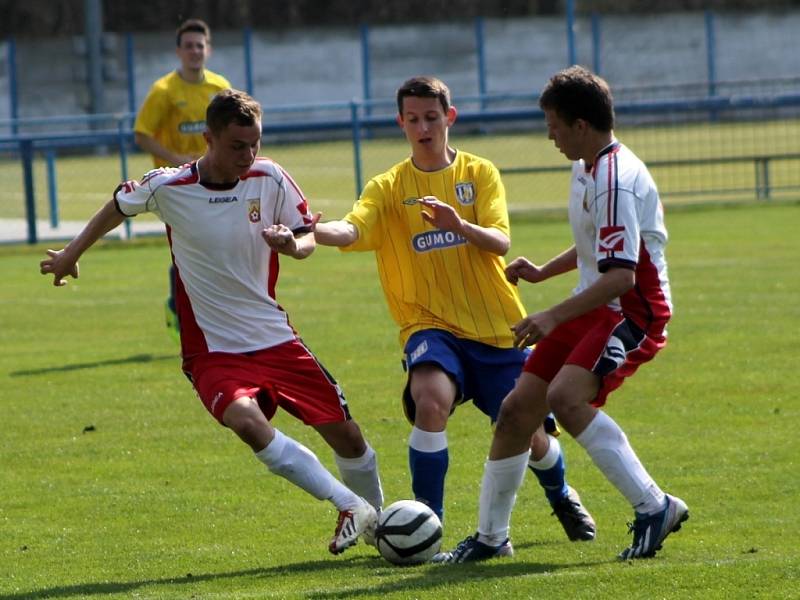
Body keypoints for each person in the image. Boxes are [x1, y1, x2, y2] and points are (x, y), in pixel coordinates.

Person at [41, 89, 383, 556]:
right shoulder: (169, 186)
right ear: (209, 138)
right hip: (213, 350)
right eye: (237, 146)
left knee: (349, 437)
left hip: (275, 338)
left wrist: (292, 246)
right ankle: (348, 505)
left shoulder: (271, 177)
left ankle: (380, 530)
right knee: (245, 421)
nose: (248, 155)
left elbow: (306, 237)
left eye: (255, 144)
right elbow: (117, 204)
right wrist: (70, 255)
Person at [312, 76, 595, 546]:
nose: (423, 127)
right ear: (400, 123)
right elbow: (352, 228)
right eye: (413, 119)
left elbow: (501, 241)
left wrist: (457, 223)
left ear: (450, 118)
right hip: (428, 324)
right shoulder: (387, 187)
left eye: (431, 117)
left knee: (530, 434)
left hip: (494, 326)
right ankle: (429, 528)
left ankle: (561, 492)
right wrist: (313, 232)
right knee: (429, 398)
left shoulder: (479, 173)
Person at [438, 65, 689, 563]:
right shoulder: (587, 166)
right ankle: (491, 539)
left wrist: (550, 315)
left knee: (567, 398)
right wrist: (543, 272)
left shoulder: (616, 179)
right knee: (515, 411)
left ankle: (654, 506)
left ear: (580, 125)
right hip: (596, 301)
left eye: (553, 124)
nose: (548, 134)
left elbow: (622, 276)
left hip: (632, 309)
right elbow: (596, 244)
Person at [133, 18, 231, 339]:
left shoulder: (219, 88)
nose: (194, 51)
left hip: (214, 177)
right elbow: (142, 134)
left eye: (199, 45)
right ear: (178, 51)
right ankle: (180, 306)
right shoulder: (164, 91)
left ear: (208, 49)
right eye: (188, 46)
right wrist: (175, 159)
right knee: (190, 243)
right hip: (176, 183)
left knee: (212, 243)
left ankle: (198, 307)